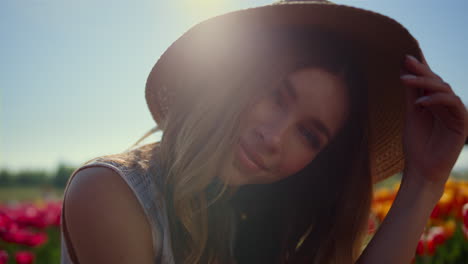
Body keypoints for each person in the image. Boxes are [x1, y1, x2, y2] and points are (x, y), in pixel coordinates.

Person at [59, 0, 468, 263]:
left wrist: (425, 180)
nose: (274, 138)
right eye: (275, 96)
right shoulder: (113, 193)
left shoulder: (262, 216)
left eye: (309, 135)